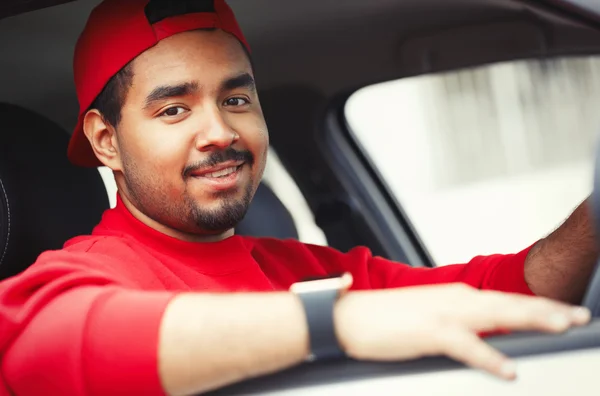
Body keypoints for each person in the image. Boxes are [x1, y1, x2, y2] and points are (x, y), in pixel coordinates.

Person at [0, 0, 597, 395]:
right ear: (106, 141)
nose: (220, 132)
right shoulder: (90, 275)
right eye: (175, 109)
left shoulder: (303, 269)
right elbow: (32, 339)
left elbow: (509, 297)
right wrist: (335, 323)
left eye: (236, 99)